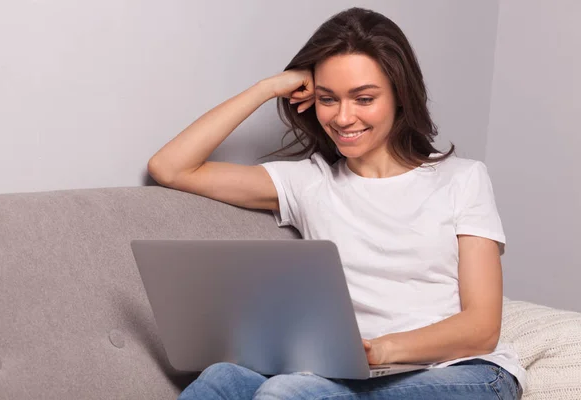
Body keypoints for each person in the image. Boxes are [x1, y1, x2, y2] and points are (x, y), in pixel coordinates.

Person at [148, 7, 525, 400]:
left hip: (465, 372)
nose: (344, 118)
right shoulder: (309, 182)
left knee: (288, 392)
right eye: (329, 99)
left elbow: (482, 328)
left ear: (400, 96)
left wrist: (379, 350)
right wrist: (268, 87)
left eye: (364, 98)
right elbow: (171, 167)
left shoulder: (463, 178)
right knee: (222, 378)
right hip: (348, 373)